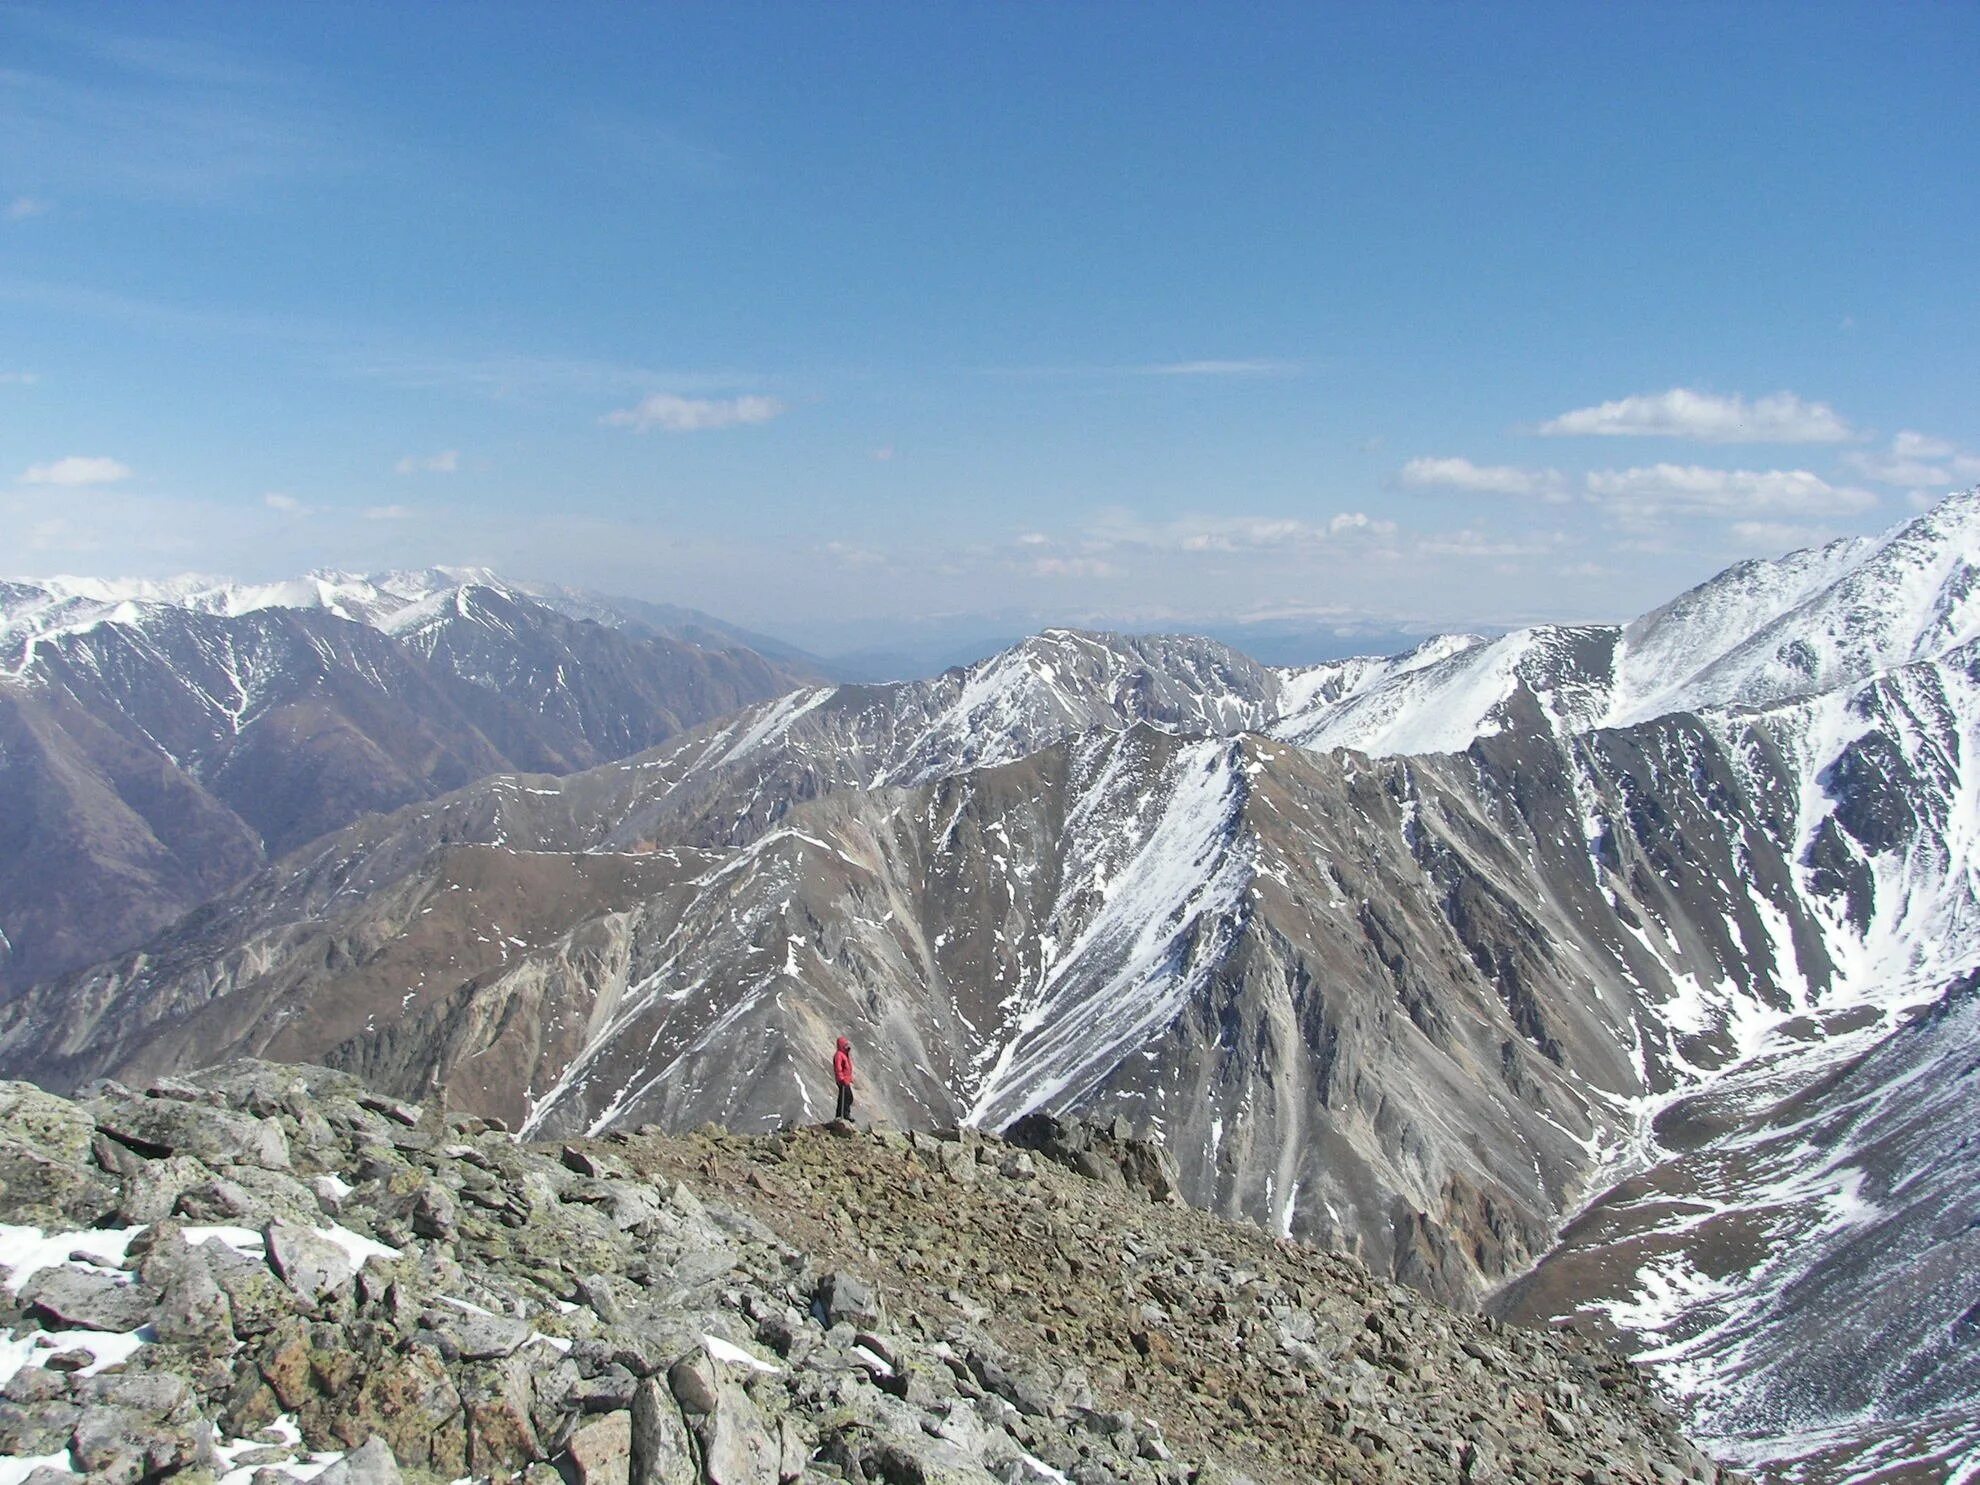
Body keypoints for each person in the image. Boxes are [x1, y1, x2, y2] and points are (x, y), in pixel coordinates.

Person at [832, 1035, 855, 1121]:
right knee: (847, 1096)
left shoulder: (844, 1055)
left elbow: (847, 1068)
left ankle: (841, 1114)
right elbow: (838, 1068)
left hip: (846, 1080)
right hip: (842, 1080)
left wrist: (849, 1078)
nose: (847, 1047)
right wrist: (841, 1078)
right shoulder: (839, 1055)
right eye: (845, 1045)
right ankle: (844, 1114)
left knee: (844, 1096)